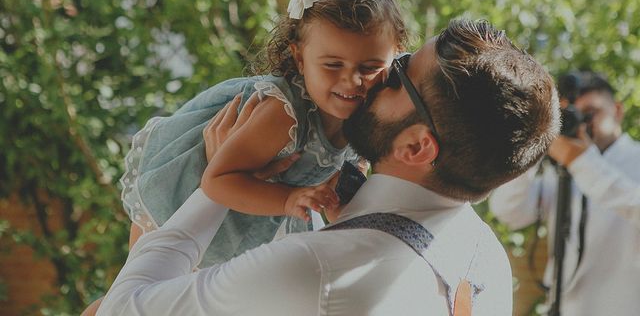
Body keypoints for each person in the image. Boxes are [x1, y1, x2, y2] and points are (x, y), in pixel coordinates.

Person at [97, 19, 560, 316]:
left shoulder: (317, 270)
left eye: (398, 75)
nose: (373, 77)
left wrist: (215, 178)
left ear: (417, 146)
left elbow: (121, 309)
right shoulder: (487, 259)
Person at [120, 0, 407, 265]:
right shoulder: (285, 114)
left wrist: (340, 201)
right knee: (131, 299)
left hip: (247, 218)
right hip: (182, 200)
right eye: (333, 65)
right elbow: (216, 180)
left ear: (395, 55)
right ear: (300, 58)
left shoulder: (369, 111)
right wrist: (288, 199)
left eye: (370, 67)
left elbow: (339, 175)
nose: (352, 81)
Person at [490, 71, 640, 316]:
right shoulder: (562, 169)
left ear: (618, 110)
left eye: (590, 113)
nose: (581, 123)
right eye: (569, 116)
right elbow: (508, 211)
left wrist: (581, 162)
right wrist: (536, 144)